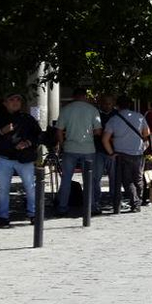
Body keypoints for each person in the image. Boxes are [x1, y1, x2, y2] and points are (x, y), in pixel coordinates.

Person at [0, 93, 41, 227]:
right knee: (3, 189)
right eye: (11, 99)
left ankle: (33, 214)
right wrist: (2, 131)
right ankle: (3, 216)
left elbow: (39, 136)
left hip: (24, 159)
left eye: (18, 99)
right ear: (5, 103)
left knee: (30, 187)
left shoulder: (28, 119)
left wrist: (28, 143)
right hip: (4, 159)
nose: (15, 102)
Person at [56, 88, 102, 216]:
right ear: (85, 96)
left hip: (70, 148)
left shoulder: (66, 110)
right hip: (88, 149)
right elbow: (98, 131)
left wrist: (62, 144)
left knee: (66, 179)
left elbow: (59, 131)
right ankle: (91, 207)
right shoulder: (93, 110)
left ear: (73, 96)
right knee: (89, 180)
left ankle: (62, 207)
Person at [103, 96, 150, 213]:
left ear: (117, 106)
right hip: (138, 152)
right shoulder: (139, 117)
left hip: (121, 154)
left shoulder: (113, 120)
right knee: (138, 179)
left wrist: (111, 153)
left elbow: (105, 139)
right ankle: (137, 203)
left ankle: (134, 203)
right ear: (130, 105)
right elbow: (147, 133)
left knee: (126, 180)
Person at [94, 94, 117, 211]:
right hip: (98, 150)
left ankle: (114, 200)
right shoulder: (95, 114)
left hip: (114, 150)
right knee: (96, 177)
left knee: (114, 178)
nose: (107, 106)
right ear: (100, 103)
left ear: (113, 103)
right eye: (105, 103)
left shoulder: (117, 115)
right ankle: (95, 201)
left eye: (109, 103)